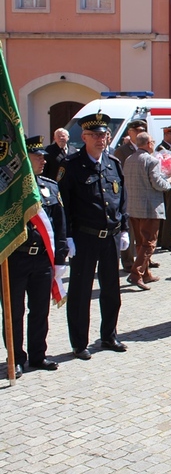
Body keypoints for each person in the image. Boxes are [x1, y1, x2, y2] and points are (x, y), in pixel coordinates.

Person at [58, 112, 129, 359]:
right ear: (84, 137)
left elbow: (121, 199)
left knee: (111, 290)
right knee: (81, 291)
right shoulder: (71, 165)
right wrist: (67, 237)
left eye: (104, 135)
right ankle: (79, 343)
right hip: (84, 237)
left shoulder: (113, 163)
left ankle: (109, 335)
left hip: (110, 236)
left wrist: (124, 228)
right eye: (95, 135)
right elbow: (64, 204)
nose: (101, 139)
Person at [2, 136, 68, 376]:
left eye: (43, 156)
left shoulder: (50, 186)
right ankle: (16, 358)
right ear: (24, 159)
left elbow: (59, 225)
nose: (43, 160)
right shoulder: (8, 190)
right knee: (14, 312)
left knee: (40, 309)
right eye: (37, 156)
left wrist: (60, 258)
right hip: (15, 258)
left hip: (42, 258)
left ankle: (38, 355)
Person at [122, 132, 171, 290]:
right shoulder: (152, 160)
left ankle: (145, 273)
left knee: (140, 242)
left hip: (133, 207)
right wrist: (170, 183)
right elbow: (157, 184)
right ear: (148, 144)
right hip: (149, 208)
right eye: (152, 141)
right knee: (149, 243)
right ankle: (136, 273)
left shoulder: (129, 159)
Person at [114, 120, 147, 272]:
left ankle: (144, 260)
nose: (141, 132)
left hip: (142, 193)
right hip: (128, 193)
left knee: (142, 230)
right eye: (138, 130)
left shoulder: (145, 148)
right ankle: (128, 261)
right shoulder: (122, 151)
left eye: (143, 130)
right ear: (130, 132)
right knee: (129, 229)